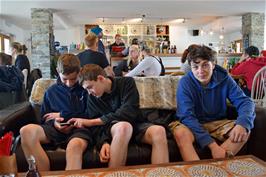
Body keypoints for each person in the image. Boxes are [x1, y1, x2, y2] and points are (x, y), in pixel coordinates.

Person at [170, 45, 255, 161]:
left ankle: (213, 169)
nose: (200, 71)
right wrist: (213, 146)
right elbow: (186, 116)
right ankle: (200, 170)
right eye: (195, 67)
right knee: (180, 133)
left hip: (217, 122)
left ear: (213, 64)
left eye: (205, 65)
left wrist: (243, 123)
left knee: (244, 131)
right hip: (190, 123)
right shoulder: (185, 82)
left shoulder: (224, 78)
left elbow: (245, 101)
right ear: (190, 67)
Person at [77, 64, 169, 165]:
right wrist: (104, 142)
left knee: (159, 131)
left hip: (136, 123)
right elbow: (96, 128)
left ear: (100, 78)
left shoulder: (127, 82)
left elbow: (128, 112)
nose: (89, 92)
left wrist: (92, 122)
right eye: (86, 89)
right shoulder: (92, 98)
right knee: (124, 127)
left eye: (90, 87)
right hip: (113, 130)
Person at [20, 54, 91, 171]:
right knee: (26, 131)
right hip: (55, 129)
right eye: (65, 79)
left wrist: (63, 114)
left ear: (80, 71)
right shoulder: (51, 91)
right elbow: (44, 118)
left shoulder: (87, 88)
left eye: (73, 79)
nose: (69, 83)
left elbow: (90, 114)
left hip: (80, 129)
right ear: (58, 72)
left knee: (74, 146)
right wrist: (54, 123)